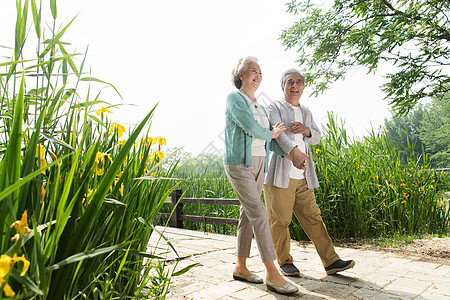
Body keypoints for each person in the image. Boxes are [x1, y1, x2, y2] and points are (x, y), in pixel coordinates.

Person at [263, 68, 355, 276]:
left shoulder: (306, 111)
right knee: (280, 220)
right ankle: (284, 261)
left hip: (303, 176)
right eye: (290, 82)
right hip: (279, 175)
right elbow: (278, 135)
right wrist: (294, 153)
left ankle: (331, 261)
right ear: (282, 86)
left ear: (303, 86)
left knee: (314, 217)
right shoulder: (274, 107)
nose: (294, 86)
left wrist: (306, 130)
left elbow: (317, 137)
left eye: (299, 82)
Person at [224, 57, 303, 294]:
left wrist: (290, 155)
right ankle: (272, 274)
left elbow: (270, 139)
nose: (257, 75)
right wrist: (272, 134)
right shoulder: (234, 99)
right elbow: (252, 127)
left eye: (259, 72)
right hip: (239, 163)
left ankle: (241, 267)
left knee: (247, 215)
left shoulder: (259, 104)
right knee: (259, 213)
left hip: (260, 163)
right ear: (241, 76)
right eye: (252, 71)